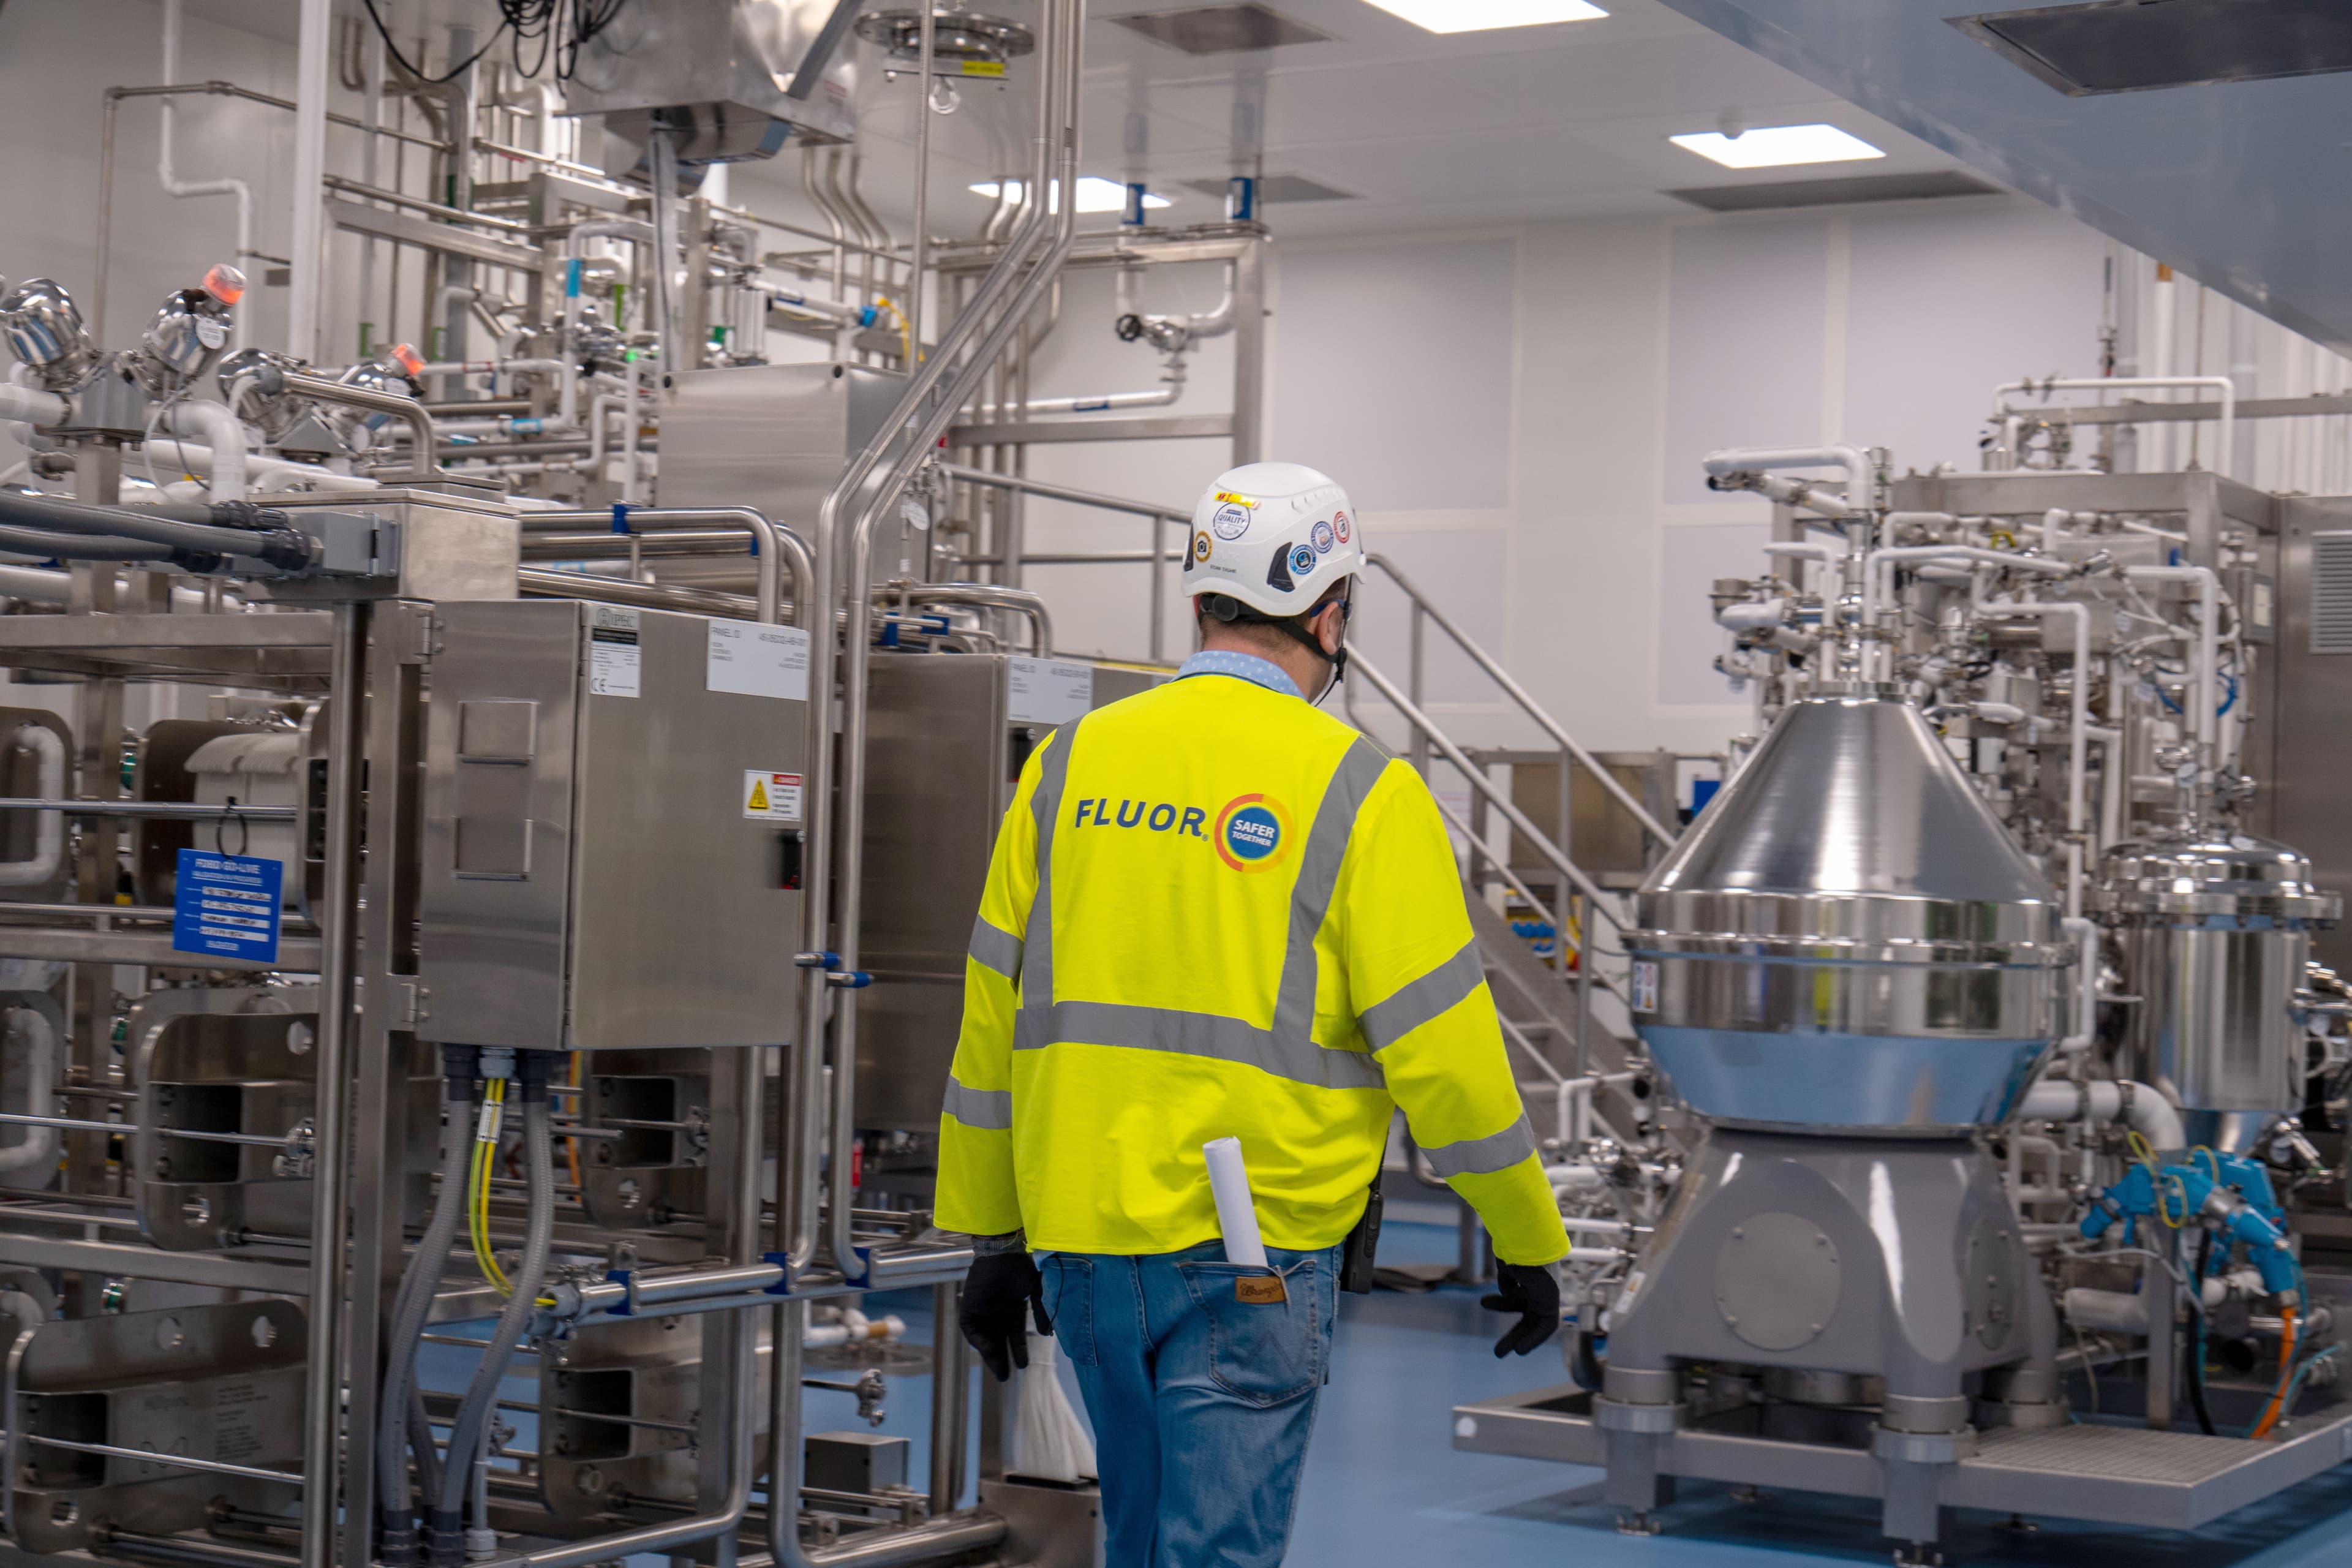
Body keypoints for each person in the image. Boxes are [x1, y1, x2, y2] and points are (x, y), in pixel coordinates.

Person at [934, 461, 1570, 1567]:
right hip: (1252, 1243)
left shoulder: (1071, 760)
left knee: (1131, 1536)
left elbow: (992, 1020)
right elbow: (1447, 1057)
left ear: (1199, 602)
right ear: (1331, 615)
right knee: (1215, 1552)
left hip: (1081, 1230)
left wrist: (990, 1233)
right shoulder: (1364, 788)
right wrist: (1523, 1238)